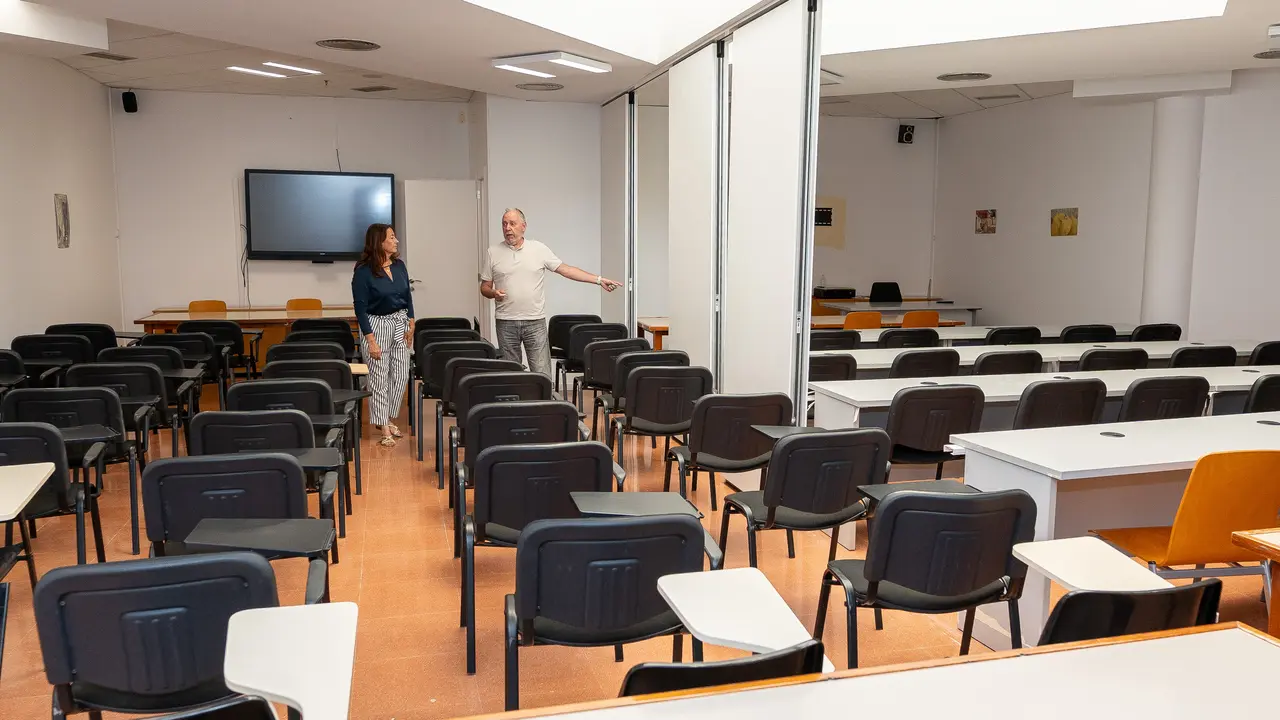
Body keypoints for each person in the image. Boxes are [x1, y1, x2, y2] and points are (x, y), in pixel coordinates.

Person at [480, 208, 619, 376]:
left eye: (512, 223)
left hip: (535, 322)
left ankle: (543, 402)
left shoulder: (538, 249)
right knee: (511, 374)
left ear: (523, 226)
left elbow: (566, 270)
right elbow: (484, 287)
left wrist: (598, 280)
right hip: (505, 322)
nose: (507, 228)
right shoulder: (493, 252)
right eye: (504, 224)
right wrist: (493, 293)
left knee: (542, 374)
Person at [352, 223, 414, 447]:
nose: (396, 241)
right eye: (392, 237)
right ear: (379, 241)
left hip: (400, 322)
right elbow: (360, 308)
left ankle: (385, 417)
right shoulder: (363, 271)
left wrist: (412, 323)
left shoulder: (399, 266)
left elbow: (408, 296)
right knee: (378, 378)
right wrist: (370, 340)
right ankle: (383, 425)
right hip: (376, 325)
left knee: (400, 375)